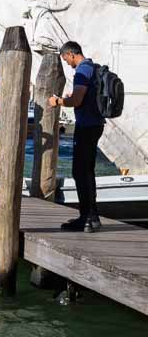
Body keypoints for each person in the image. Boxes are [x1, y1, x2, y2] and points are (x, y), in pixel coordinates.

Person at [49, 41, 105, 232]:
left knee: (80, 172)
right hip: (95, 124)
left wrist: (58, 101)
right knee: (87, 171)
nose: (67, 63)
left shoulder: (82, 71)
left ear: (72, 54)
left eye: (66, 60)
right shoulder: (94, 68)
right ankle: (92, 216)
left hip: (87, 126)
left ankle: (86, 218)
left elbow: (77, 100)